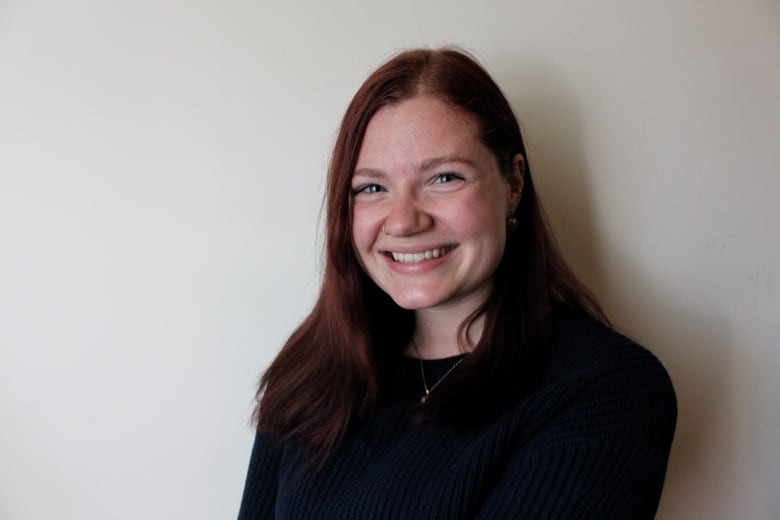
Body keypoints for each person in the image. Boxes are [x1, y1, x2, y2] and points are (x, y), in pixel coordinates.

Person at [238, 47, 676, 519]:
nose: (403, 221)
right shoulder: (310, 372)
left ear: (514, 184)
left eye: (444, 177)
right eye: (372, 188)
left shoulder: (604, 387)